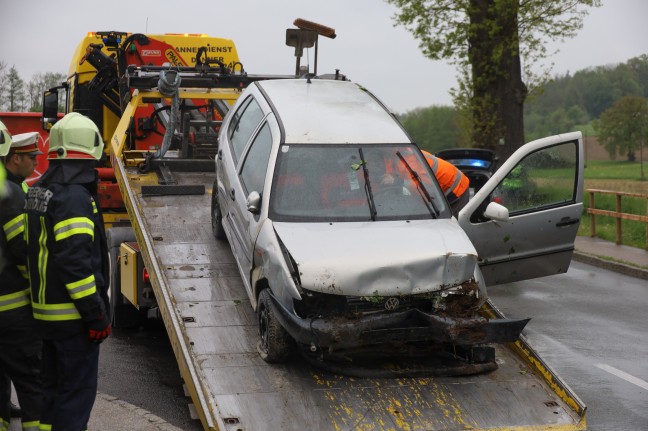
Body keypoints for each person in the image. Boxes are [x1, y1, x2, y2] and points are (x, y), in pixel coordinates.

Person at [24, 113, 111, 431]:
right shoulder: (74, 197)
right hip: (73, 320)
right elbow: (76, 266)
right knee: (74, 400)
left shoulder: (40, 190)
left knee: (52, 395)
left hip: (45, 317)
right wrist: (96, 315)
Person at [0, 122, 43, 431]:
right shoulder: (10, 193)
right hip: (13, 312)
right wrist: (40, 286)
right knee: (31, 381)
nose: (36, 163)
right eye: (31, 157)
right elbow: (23, 253)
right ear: (12, 156)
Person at [421, 150, 470, 217]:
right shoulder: (408, 151)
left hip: (456, 187)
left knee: (450, 223)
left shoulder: (410, 164)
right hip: (447, 183)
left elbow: (421, 198)